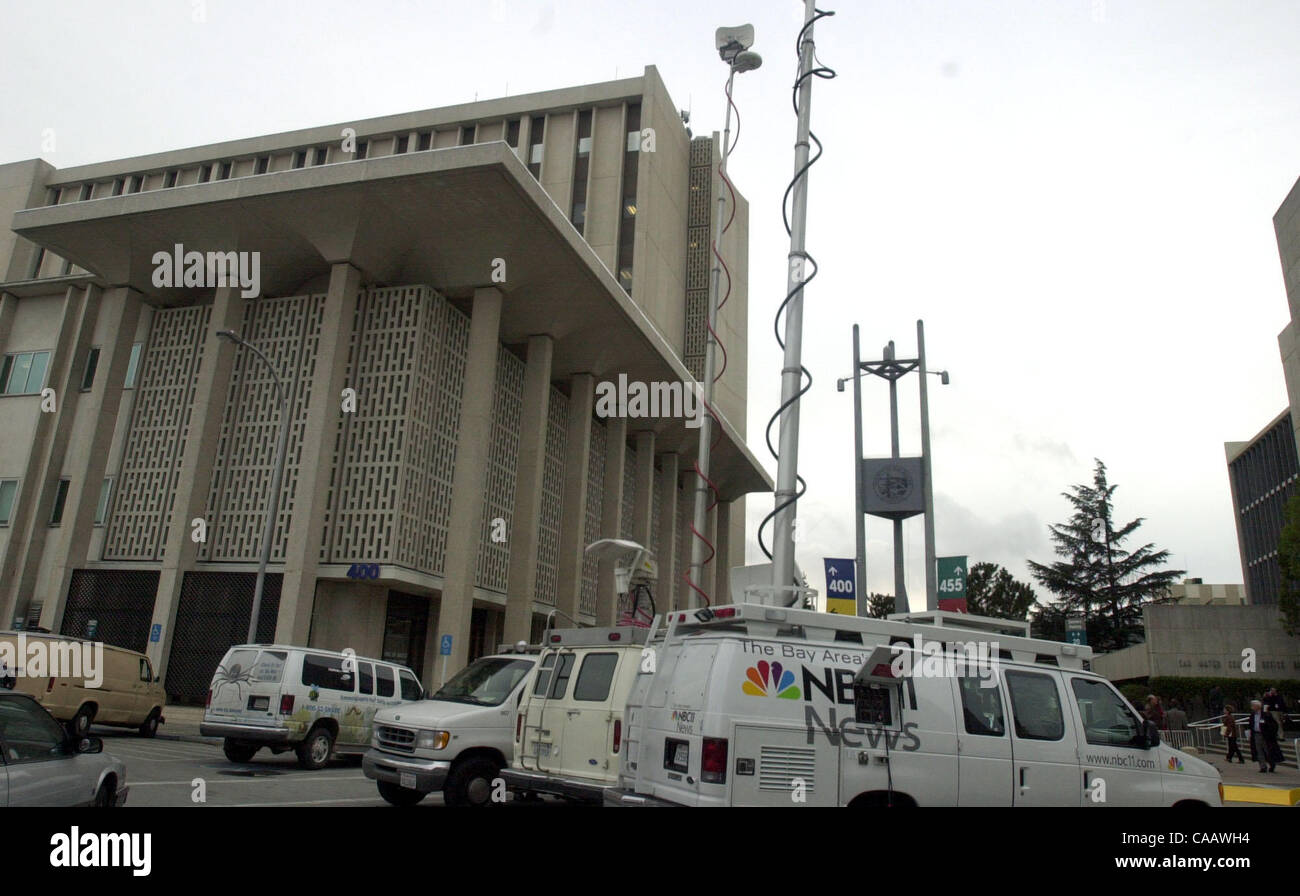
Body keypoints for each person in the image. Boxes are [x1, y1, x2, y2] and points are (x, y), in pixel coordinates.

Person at [1248, 699, 1281, 773]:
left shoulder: (1266, 714)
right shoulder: (1253, 715)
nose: (1252, 708)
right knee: (1259, 751)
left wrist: (1271, 733)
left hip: (1265, 735)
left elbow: (1273, 724)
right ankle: (1263, 766)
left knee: (1267, 750)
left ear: (1257, 706)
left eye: (1253, 706)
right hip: (1256, 734)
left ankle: (1272, 764)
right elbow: (1251, 724)